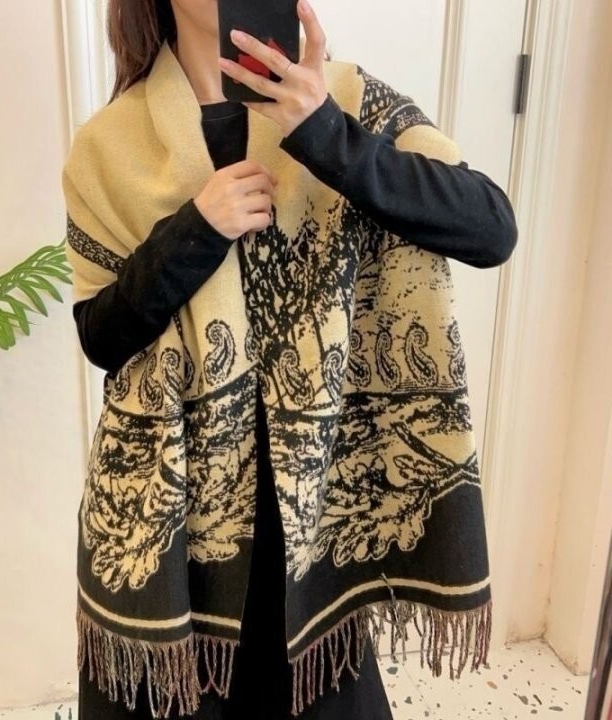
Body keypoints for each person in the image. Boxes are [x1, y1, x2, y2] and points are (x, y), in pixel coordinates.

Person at [64, 1, 518, 718]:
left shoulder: (344, 99)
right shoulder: (110, 145)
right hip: (179, 528)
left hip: (318, 520)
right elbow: (102, 336)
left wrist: (326, 135)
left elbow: (490, 226)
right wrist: (196, 230)